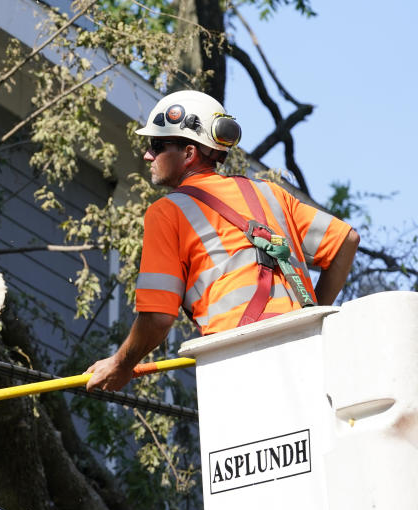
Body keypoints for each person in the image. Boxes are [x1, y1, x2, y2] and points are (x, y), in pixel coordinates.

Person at [86, 90, 359, 392]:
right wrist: (310, 314)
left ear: (188, 153)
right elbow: (347, 240)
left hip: (241, 356)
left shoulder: (167, 212)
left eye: (157, 145)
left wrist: (121, 364)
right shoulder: (270, 193)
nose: (147, 155)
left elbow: (158, 318)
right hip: (307, 349)